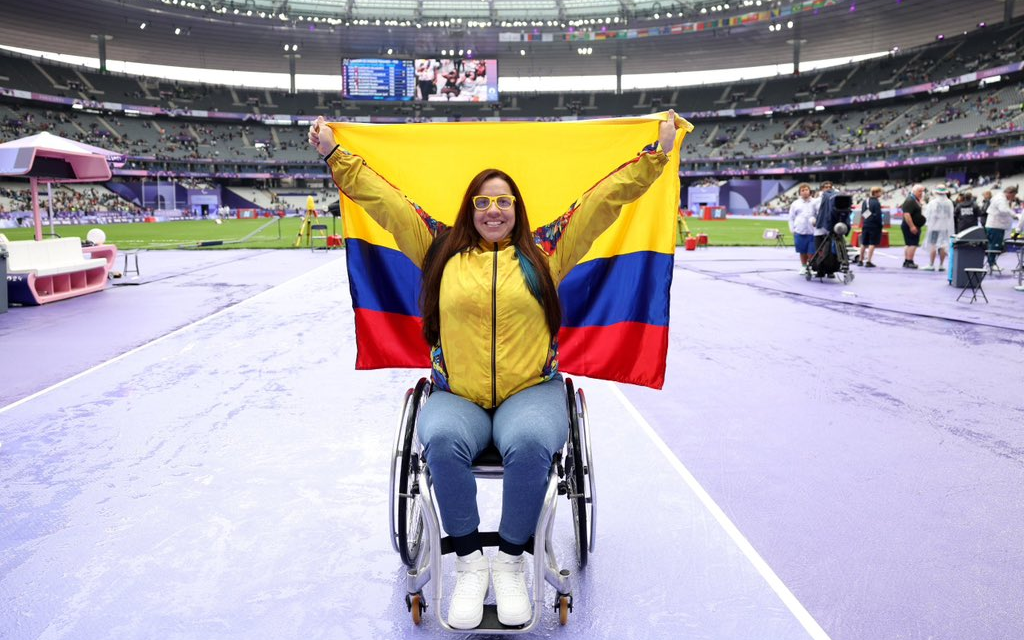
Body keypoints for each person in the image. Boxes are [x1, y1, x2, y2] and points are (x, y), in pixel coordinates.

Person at [308, 113, 682, 630]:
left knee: (530, 442)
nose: (493, 209)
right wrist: (334, 155)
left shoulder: (547, 251)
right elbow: (385, 202)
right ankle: (468, 563)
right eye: (482, 201)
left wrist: (656, 155)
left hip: (531, 390)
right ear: (470, 208)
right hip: (456, 393)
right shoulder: (439, 249)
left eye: (503, 200)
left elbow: (603, 202)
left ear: (517, 209)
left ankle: (508, 560)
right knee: (438, 440)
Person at [984, 184, 1018, 272]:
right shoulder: (1000, 199)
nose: (1013, 197)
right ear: (1009, 193)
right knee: (994, 246)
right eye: (1013, 195)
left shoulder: (1002, 198)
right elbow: (1003, 209)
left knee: (996, 245)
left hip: (998, 226)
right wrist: (1015, 215)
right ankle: (991, 264)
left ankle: (992, 263)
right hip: (995, 226)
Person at [922, 185, 954, 271]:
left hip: (935, 227)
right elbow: (950, 215)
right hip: (945, 226)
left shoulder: (933, 203)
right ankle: (941, 265)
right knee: (943, 245)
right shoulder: (949, 202)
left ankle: (931, 264)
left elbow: (927, 214)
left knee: (933, 245)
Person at [787, 182, 816, 274]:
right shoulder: (795, 203)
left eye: (806, 190)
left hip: (813, 231)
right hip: (800, 230)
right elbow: (791, 217)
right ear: (800, 193)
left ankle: (811, 266)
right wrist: (792, 229)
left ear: (810, 191)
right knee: (802, 250)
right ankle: (804, 266)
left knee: (812, 251)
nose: (804, 192)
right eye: (802, 190)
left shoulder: (815, 202)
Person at [900, 183, 926, 268]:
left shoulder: (914, 200)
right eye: (919, 191)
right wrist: (912, 226)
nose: (921, 193)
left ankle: (907, 261)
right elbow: (907, 214)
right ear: (914, 191)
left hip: (912, 225)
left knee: (909, 244)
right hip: (911, 225)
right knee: (913, 244)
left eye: (922, 191)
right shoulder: (910, 200)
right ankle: (909, 261)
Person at [857, 186, 884, 268]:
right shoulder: (876, 202)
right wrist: (879, 225)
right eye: (880, 192)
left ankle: (860, 260)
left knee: (864, 243)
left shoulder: (866, 201)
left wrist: (869, 218)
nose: (881, 194)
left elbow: (864, 213)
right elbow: (878, 216)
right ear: (876, 193)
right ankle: (868, 261)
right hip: (874, 225)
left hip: (866, 224)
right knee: (872, 243)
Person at [811, 180, 835, 253]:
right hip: (819, 229)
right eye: (826, 187)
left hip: (831, 229)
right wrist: (813, 220)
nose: (828, 189)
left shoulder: (835, 199)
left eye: (830, 187)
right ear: (822, 189)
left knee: (830, 250)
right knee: (819, 250)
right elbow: (811, 215)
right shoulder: (816, 201)